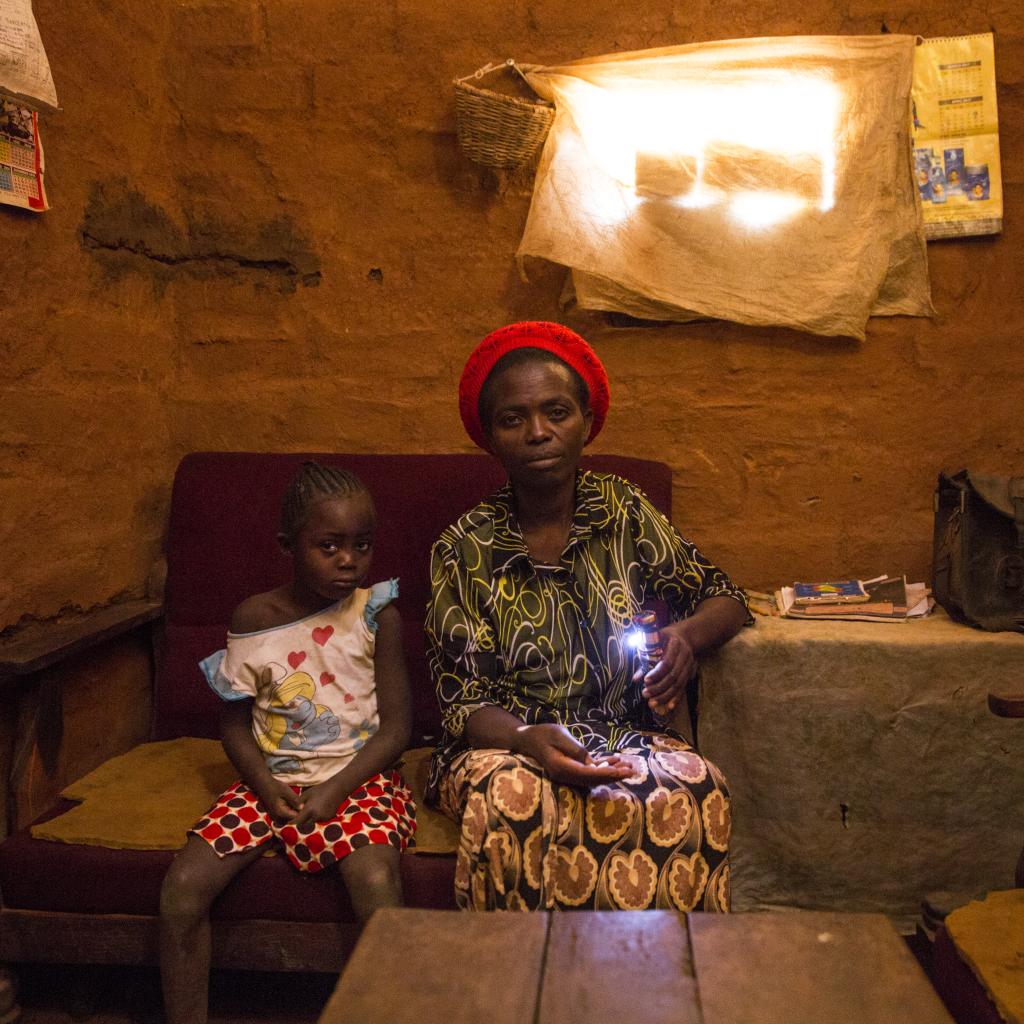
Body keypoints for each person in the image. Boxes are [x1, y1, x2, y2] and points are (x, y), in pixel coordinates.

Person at [425, 321, 750, 912]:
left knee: (698, 787)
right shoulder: (463, 547)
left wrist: (684, 637)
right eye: (513, 419)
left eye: (556, 412)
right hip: (505, 744)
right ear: (491, 439)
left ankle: (659, 985)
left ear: (587, 423)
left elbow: (724, 595)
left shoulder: (622, 509)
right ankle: (522, 987)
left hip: (622, 731)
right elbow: (463, 703)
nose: (538, 432)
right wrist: (527, 739)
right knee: (514, 799)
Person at [160, 461, 414, 1024]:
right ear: (287, 545)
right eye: (329, 545)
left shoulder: (378, 617)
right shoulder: (255, 619)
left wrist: (333, 790)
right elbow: (233, 723)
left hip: (357, 777)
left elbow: (397, 730)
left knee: (376, 879)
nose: (349, 560)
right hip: (269, 781)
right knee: (181, 890)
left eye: (363, 545)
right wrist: (265, 785)